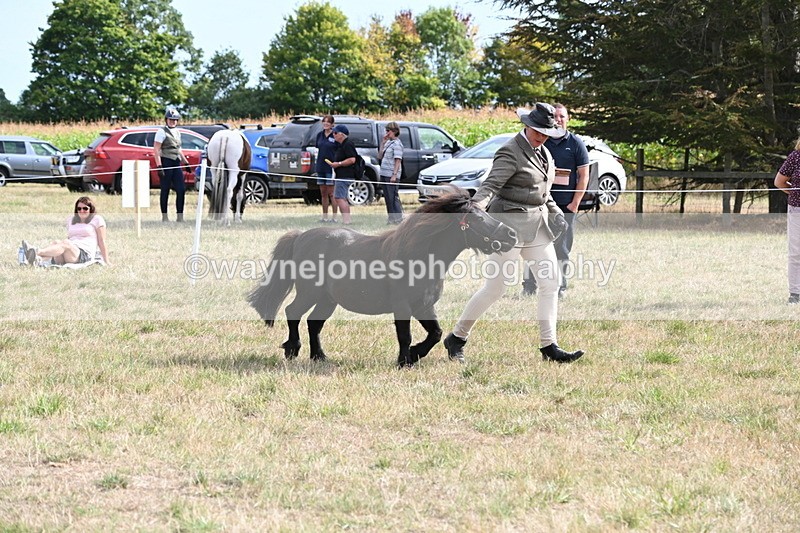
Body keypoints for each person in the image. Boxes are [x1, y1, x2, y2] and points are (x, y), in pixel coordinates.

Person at [443, 103, 584, 364]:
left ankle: (549, 346)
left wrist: (555, 212)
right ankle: (457, 337)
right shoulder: (509, 152)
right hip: (507, 228)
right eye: (538, 132)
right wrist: (474, 209)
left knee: (550, 283)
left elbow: (543, 191)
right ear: (526, 126)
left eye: (546, 133)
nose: (542, 137)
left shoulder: (544, 153)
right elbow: (491, 186)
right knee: (496, 288)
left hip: (537, 225)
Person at [522, 103, 589, 298]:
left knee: (562, 248)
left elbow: (583, 176)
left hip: (565, 206)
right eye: (556, 116)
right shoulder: (542, 140)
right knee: (533, 245)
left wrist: (574, 203)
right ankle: (529, 285)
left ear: (568, 119)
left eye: (562, 116)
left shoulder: (576, 143)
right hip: (540, 204)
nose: (559, 119)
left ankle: (560, 286)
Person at [21, 196, 111, 267]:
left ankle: (36, 251)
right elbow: (70, 238)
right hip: (70, 253)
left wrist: (107, 261)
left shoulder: (97, 219)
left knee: (66, 243)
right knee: (56, 242)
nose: (82, 211)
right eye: (79, 209)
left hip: (84, 254)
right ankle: (35, 259)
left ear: (91, 209)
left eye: (85, 208)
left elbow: (102, 241)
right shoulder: (71, 220)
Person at [774, 136, 800, 304]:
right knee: (796, 252)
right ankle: (795, 293)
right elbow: (779, 182)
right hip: (797, 210)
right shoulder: (796, 157)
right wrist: (796, 194)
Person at [154, 107, 191, 223]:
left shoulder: (177, 132)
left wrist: (185, 162)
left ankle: (180, 216)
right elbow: (156, 150)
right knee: (165, 189)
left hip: (176, 162)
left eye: (175, 120)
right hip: (166, 161)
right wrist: (159, 166)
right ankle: (164, 217)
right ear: (166, 120)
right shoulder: (161, 132)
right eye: (171, 120)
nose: (173, 122)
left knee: (181, 189)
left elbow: (178, 148)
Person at [328, 124, 357, 225]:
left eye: (335, 133)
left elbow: (352, 159)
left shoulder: (348, 144)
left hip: (345, 175)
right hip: (341, 175)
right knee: (341, 197)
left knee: (339, 198)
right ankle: (346, 220)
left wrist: (339, 164)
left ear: (342, 134)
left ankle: (346, 221)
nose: (333, 135)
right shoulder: (341, 145)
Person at [378, 121, 404, 224]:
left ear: (394, 131)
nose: (386, 133)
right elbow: (379, 156)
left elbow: (398, 160)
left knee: (393, 197)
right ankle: (391, 218)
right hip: (384, 173)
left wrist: (394, 175)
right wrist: (382, 143)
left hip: (391, 174)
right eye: (386, 130)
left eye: (388, 131)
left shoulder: (397, 144)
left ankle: (397, 219)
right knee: (388, 198)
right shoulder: (388, 143)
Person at [315, 115, 339, 223]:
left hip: (331, 167)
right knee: (323, 193)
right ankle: (324, 217)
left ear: (332, 124)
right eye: (324, 122)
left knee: (332, 193)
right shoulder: (319, 135)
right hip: (321, 166)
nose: (326, 124)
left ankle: (334, 217)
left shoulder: (335, 135)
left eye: (328, 122)